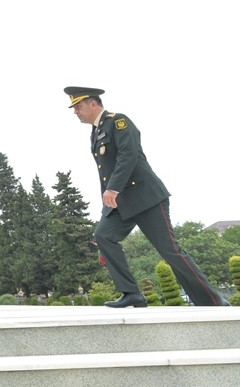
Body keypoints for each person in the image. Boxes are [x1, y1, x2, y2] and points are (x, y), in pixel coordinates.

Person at [65, 87, 226, 307]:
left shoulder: (118, 121)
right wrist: (107, 207)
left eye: (78, 106)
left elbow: (128, 155)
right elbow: (106, 171)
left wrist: (112, 189)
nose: (75, 111)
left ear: (93, 104)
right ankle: (132, 293)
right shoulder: (95, 132)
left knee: (170, 252)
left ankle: (212, 302)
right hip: (121, 202)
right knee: (103, 235)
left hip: (145, 197)